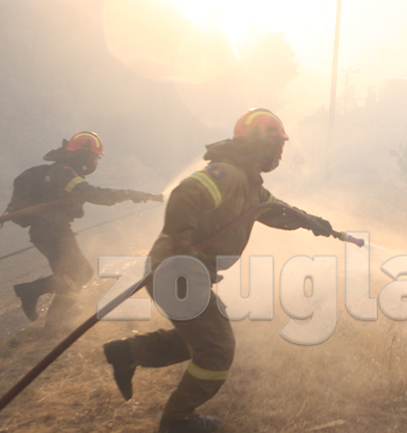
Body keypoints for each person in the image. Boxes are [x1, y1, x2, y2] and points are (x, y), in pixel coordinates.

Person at [102, 108, 333, 433]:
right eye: (277, 144)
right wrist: (181, 253)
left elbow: (275, 211)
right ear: (261, 143)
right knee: (217, 350)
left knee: (202, 338)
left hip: (181, 272)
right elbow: (186, 193)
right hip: (176, 271)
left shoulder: (250, 185)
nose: (280, 153)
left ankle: (128, 352)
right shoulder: (230, 175)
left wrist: (310, 222)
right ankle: (176, 421)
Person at [9, 131, 159, 327]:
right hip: (51, 232)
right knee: (80, 274)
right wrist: (129, 194)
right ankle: (30, 292)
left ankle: (53, 325)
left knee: (72, 277)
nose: (95, 162)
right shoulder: (64, 172)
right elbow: (94, 194)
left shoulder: (62, 170)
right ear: (82, 155)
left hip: (51, 231)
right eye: (93, 157)